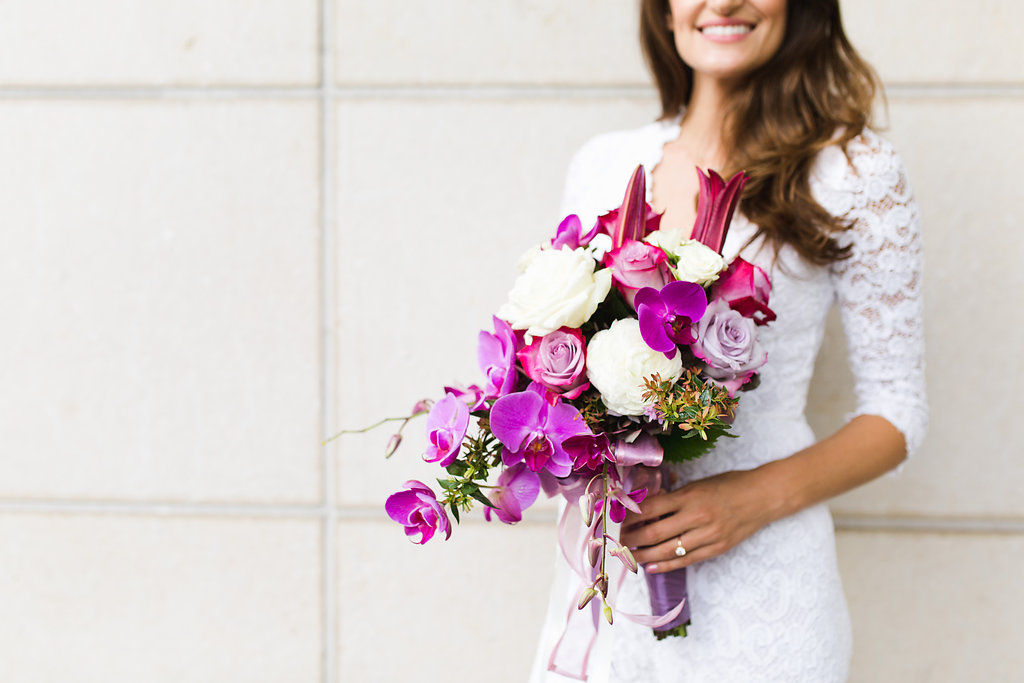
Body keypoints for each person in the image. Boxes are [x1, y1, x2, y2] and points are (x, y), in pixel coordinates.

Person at [529, 0, 927, 681]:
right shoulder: (603, 164)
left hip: (767, 586)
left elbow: (899, 412)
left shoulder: (855, 175)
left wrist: (750, 500)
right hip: (622, 571)